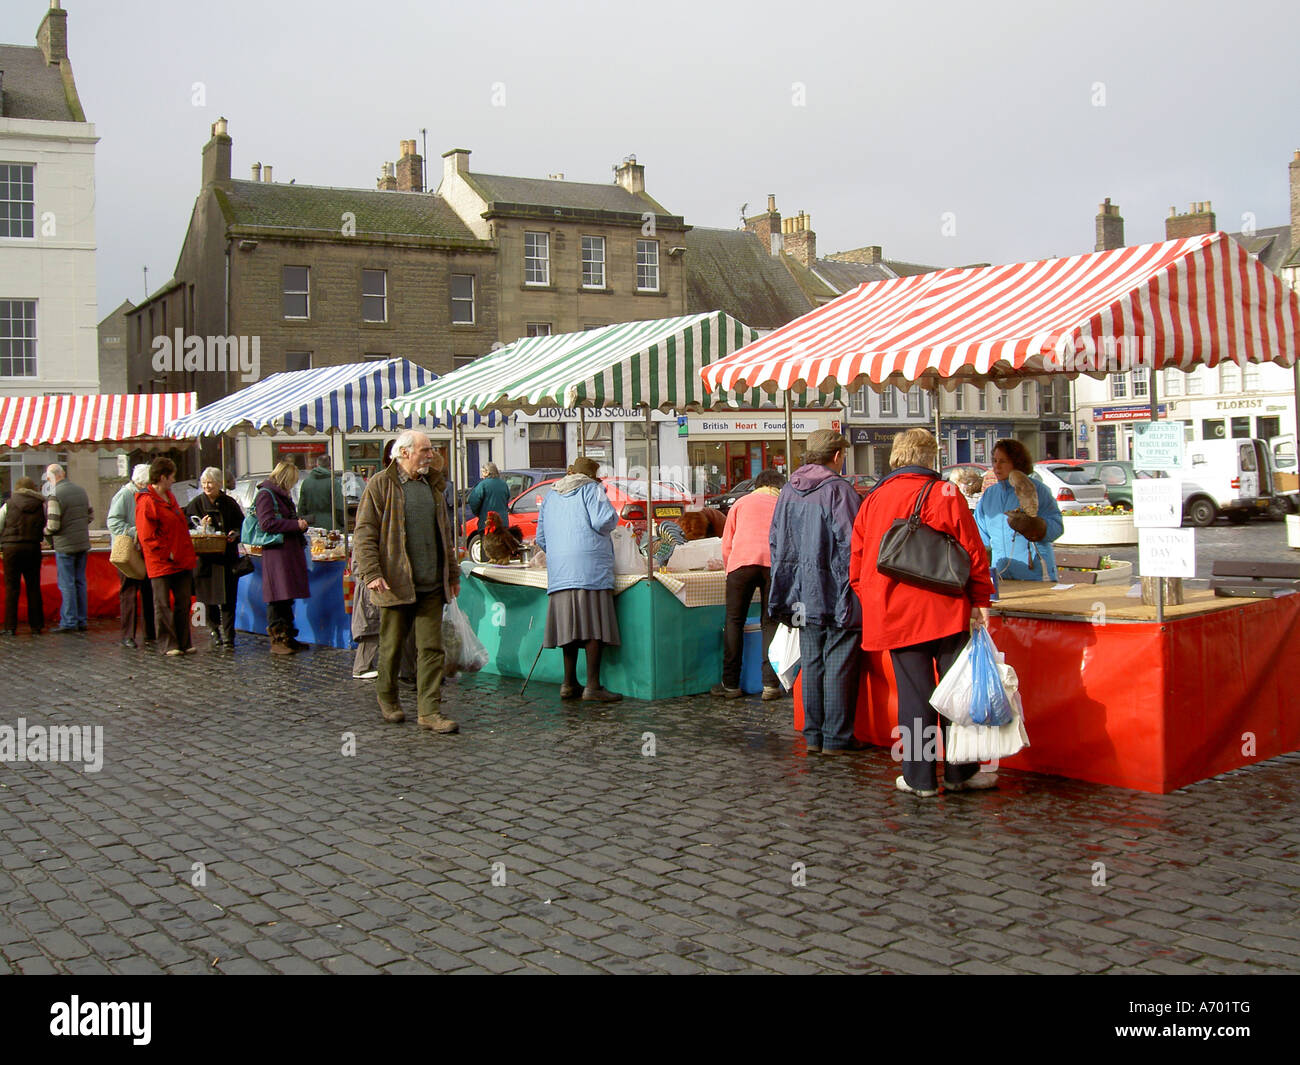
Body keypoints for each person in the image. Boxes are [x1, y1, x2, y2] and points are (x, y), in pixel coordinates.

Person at [850, 429, 998, 796]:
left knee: (915, 697)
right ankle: (960, 773)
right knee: (956, 692)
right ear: (930, 455)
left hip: (895, 612)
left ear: (899, 455)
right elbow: (973, 550)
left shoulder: (874, 497)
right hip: (946, 608)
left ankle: (919, 780)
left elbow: (856, 561)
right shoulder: (945, 492)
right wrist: (980, 600)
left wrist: (873, 598)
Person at [353, 430, 460, 732]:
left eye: (431, 450)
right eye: (425, 450)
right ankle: (388, 699)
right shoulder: (380, 485)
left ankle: (429, 711)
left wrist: (451, 574)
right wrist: (372, 573)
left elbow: (445, 536)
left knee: (431, 649)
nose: (431, 455)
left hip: (431, 585)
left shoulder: (432, 487)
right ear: (403, 453)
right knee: (392, 646)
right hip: (395, 582)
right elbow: (364, 533)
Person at [768, 429, 864, 754]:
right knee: (837, 660)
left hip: (799, 592)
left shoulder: (787, 490)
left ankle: (813, 736)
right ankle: (836, 738)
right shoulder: (839, 490)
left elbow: (775, 540)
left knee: (811, 661)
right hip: (836, 591)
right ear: (837, 456)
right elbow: (855, 544)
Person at [535, 456, 621, 703]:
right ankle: (593, 686)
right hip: (589, 567)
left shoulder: (551, 495)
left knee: (568, 626)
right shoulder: (593, 489)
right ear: (592, 476)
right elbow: (603, 520)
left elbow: (541, 537)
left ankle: (568, 683)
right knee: (593, 625)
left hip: (560, 571)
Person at [713, 467, 786, 701]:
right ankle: (770, 685)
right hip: (773, 565)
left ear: (757, 485)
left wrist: (730, 568)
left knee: (734, 621)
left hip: (741, 565)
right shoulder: (783, 504)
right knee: (770, 623)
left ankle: (731, 684)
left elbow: (727, 542)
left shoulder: (741, 504)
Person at [975, 439, 1064, 582]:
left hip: (1035, 574)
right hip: (1001, 574)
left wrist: (1037, 527)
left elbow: (1057, 527)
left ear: (1017, 462)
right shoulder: (989, 495)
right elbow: (980, 536)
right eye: (994, 460)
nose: (997, 466)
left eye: (1003, 461)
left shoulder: (1037, 489)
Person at [135, 457, 198, 656]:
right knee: (162, 604)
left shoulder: (170, 497)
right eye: (171, 477)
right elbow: (147, 536)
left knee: (183, 602)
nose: (173, 480)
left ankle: (184, 641)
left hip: (181, 559)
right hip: (161, 562)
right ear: (162, 477)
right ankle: (168, 644)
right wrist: (167, 553)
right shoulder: (147, 501)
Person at [185, 466, 246, 650]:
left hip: (227, 559)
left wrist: (234, 534)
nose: (206, 486)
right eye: (204, 483)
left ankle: (229, 636)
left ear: (219, 484)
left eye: (210, 482)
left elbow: (241, 525)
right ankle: (214, 631)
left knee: (228, 600)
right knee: (208, 599)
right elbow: (187, 527)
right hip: (205, 561)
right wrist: (200, 526)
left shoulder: (229, 503)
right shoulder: (196, 504)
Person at [254, 461, 311, 655]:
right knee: (277, 597)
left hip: (287, 553)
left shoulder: (280, 496)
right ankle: (278, 639)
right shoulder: (266, 495)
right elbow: (267, 523)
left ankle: (288, 636)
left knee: (286, 597)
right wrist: (295, 525)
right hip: (277, 554)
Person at [107, 463, 157, 648]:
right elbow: (113, 521)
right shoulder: (125, 494)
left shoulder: (144, 494)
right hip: (129, 552)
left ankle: (150, 632)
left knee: (148, 590)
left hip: (144, 550)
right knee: (128, 592)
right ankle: (128, 635)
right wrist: (134, 531)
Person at [43, 463, 91, 633]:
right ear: (63, 474)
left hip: (65, 544)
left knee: (67, 584)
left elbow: (53, 524)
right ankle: (82, 620)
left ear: (50, 477)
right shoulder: (81, 491)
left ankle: (69, 621)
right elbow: (89, 515)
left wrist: (45, 532)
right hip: (82, 542)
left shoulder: (55, 494)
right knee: (80, 582)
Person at [1, 476, 47, 636]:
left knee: (11, 588)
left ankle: (10, 626)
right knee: (33, 587)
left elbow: (0, 524)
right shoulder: (41, 505)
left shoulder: (9, 504)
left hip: (11, 549)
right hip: (33, 547)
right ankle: (36, 626)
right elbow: (45, 525)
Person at [298, 454, 345, 530]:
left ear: (317, 464)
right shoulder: (334, 483)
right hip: (331, 524)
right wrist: (342, 523)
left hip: (311, 524)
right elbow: (339, 506)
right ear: (330, 466)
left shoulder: (306, 482)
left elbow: (301, 507)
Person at [466, 462, 511, 530]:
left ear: (487, 472)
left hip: (488, 522)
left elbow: (473, 501)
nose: (482, 475)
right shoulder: (504, 484)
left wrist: (479, 513)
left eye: (483, 472)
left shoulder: (482, 485)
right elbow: (507, 500)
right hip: (503, 522)